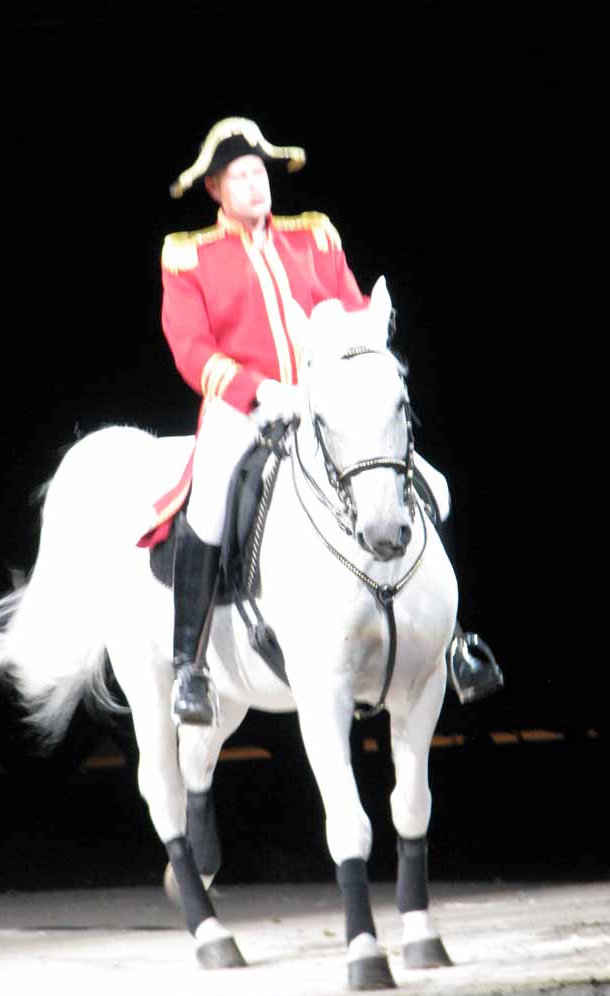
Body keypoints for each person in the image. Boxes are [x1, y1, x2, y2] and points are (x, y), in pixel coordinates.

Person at [139, 116, 502, 725]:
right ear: (216, 191)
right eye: (242, 177)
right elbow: (191, 349)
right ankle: (190, 670)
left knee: (429, 483)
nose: (257, 185)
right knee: (205, 507)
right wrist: (260, 391)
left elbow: (354, 307)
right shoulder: (188, 256)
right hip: (244, 410)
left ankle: (456, 640)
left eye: (260, 173)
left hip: (325, 403)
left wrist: (364, 349)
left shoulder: (314, 238)